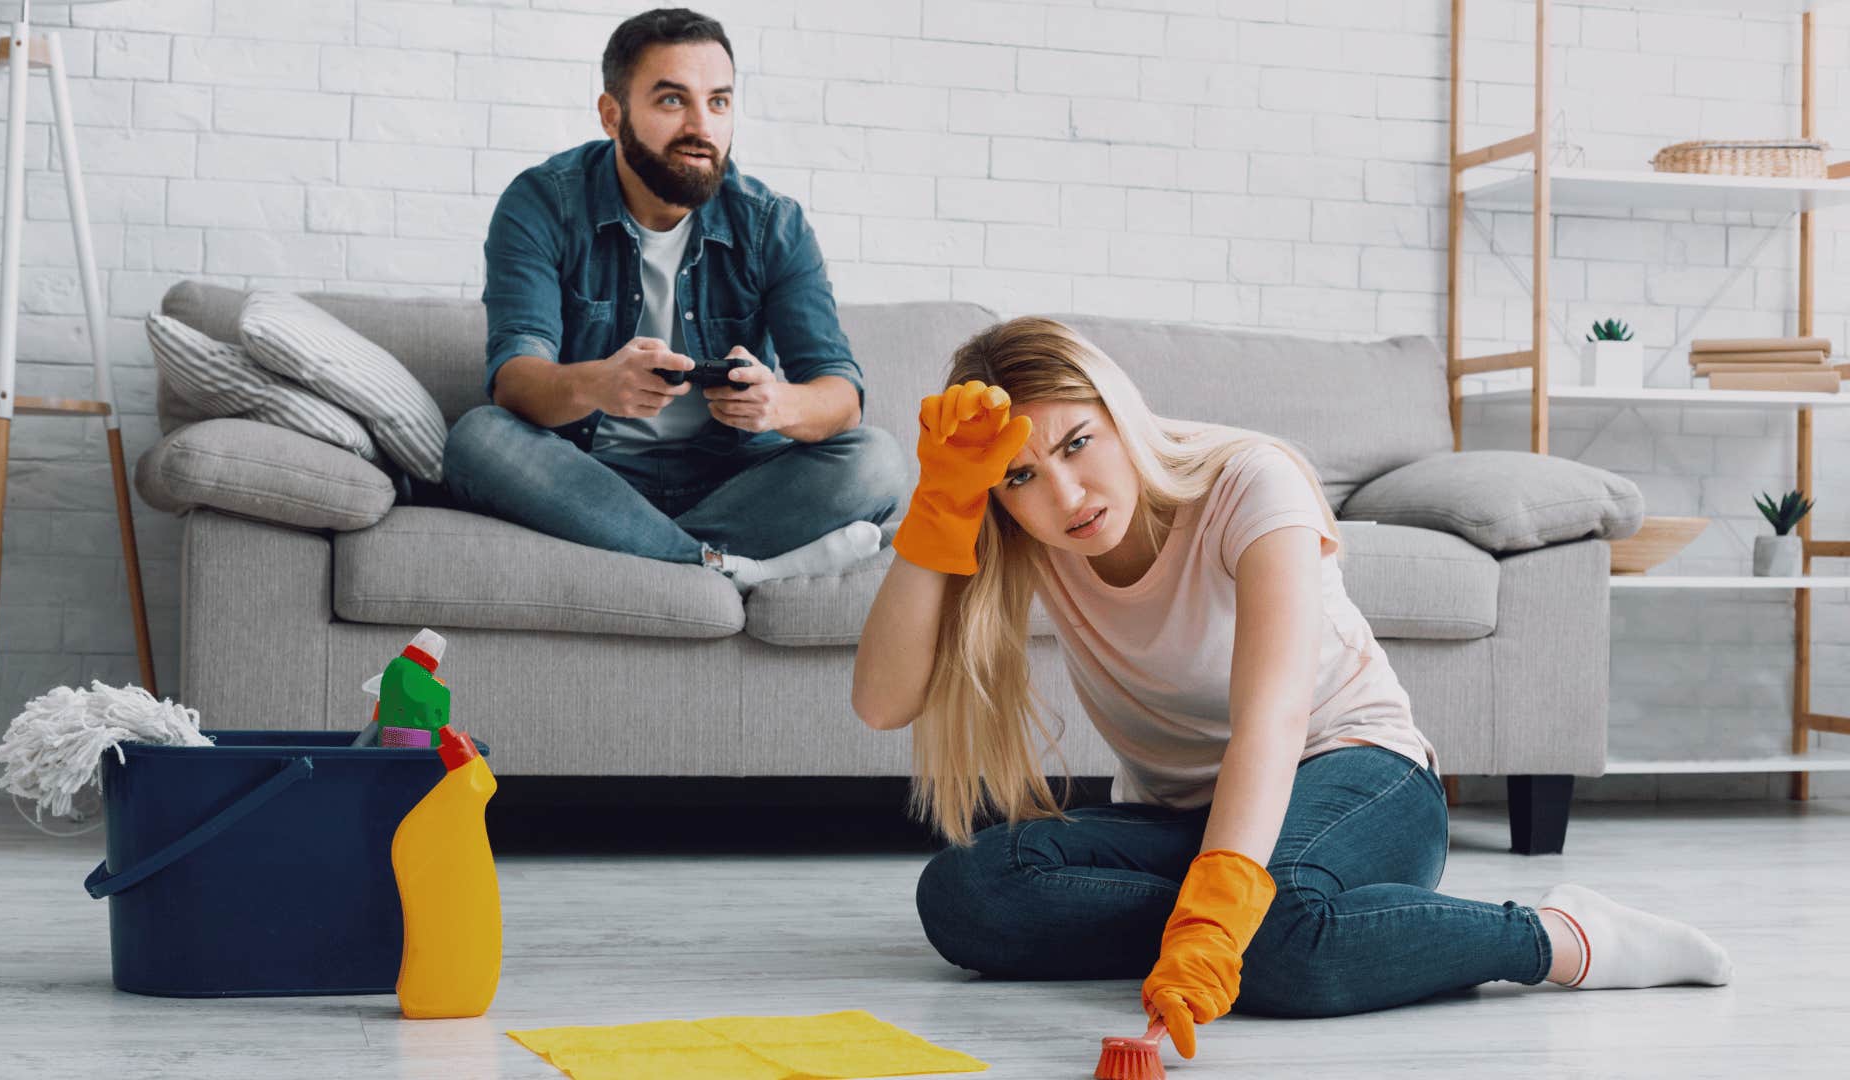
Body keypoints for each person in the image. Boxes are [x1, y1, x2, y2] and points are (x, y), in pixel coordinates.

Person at [851, 317, 1732, 1058]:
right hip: (1189, 814)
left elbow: (1271, 722)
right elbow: (882, 702)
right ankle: (1284, 917)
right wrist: (942, 503)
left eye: (1079, 443)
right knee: (968, 895)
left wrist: (1223, 912)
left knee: (1279, 953)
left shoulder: (1248, 480)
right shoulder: (1026, 534)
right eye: (1020, 476)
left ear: (1121, 415)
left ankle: (1563, 937)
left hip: (1355, 771)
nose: (1067, 493)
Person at [445, 8, 903, 592]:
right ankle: (725, 568)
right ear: (613, 115)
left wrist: (779, 404)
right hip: (588, 476)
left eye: (718, 102)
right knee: (478, 439)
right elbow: (514, 378)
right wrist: (598, 384)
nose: (701, 127)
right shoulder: (542, 203)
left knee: (878, 460)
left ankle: (655, 552)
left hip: (735, 478)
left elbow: (839, 394)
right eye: (671, 100)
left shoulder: (771, 224)